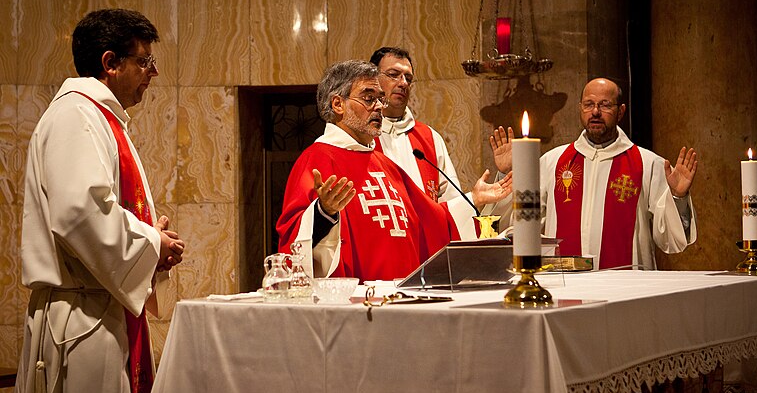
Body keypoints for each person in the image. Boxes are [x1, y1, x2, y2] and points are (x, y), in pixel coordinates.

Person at [10, 9, 185, 393]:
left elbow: (103, 208)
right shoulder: (75, 116)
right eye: (144, 61)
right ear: (110, 62)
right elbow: (78, 212)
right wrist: (152, 243)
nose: (154, 72)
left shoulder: (101, 118)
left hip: (100, 304)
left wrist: (148, 237)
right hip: (81, 316)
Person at [276, 60, 511, 282]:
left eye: (380, 99)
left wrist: (475, 198)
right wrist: (323, 212)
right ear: (338, 104)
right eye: (368, 98)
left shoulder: (384, 164)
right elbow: (294, 241)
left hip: (401, 297)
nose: (378, 106)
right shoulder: (317, 159)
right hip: (356, 303)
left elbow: (431, 222)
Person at [488, 77, 697, 270]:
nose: (595, 112)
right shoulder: (551, 162)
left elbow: (671, 240)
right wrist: (507, 176)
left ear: (621, 111)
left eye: (605, 105)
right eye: (589, 104)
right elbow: (519, 225)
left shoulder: (648, 163)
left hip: (627, 289)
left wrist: (678, 198)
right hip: (566, 286)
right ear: (580, 109)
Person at [369, 47, 462, 202]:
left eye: (408, 78)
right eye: (393, 75)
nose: (403, 83)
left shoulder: (429, 138)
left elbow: (451, 201)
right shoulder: (360, 135)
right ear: (373, 79)